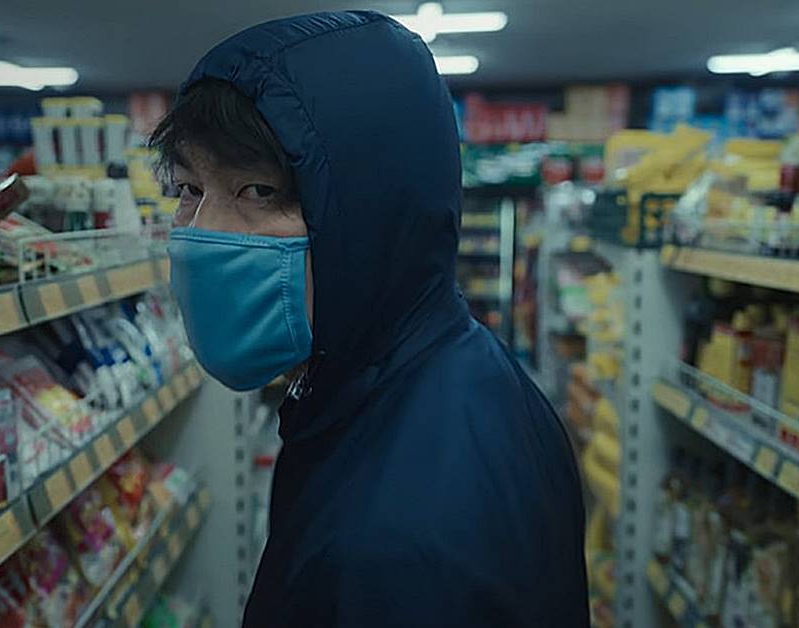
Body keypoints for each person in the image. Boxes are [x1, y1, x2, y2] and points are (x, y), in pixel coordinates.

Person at [153, 10, 589, 628]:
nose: (202, 236)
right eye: (188, 190)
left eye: (258, 192)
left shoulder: (396, 552)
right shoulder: (448, 372)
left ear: (372, 216)